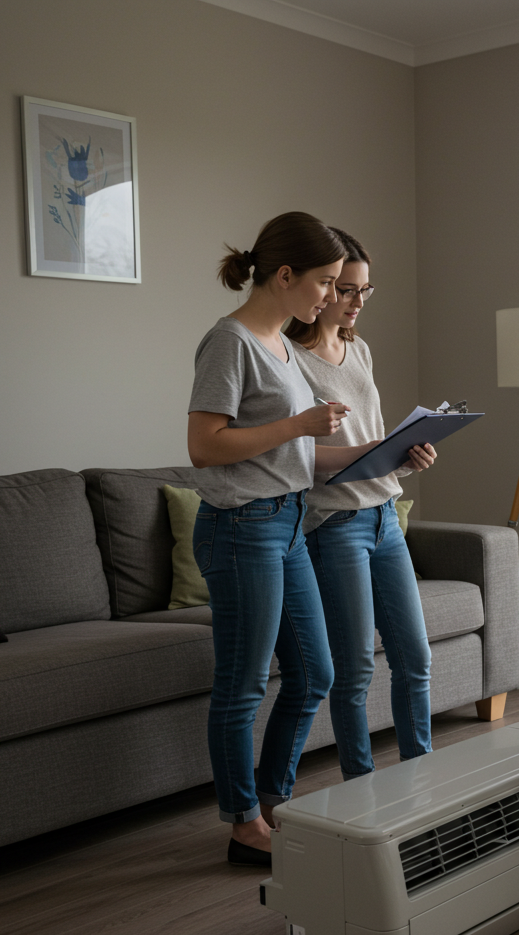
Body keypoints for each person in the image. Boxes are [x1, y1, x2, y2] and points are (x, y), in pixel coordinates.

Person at [188, 212, 376, 866]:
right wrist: (300, 422)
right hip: (242, 530)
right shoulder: (230, 342)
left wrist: (381, 452)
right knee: (242, 685)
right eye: (324, 283)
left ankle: (272, 800)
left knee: (315, 673)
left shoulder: (283, 349)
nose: (330, 297)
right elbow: (205, 446)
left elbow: (298, 456)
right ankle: (244, 824)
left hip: (289, 521)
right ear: (286, 274)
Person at [285, 229, 436, 780]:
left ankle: (420, 778)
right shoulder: (290, 359)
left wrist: (405, 456)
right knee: (353, 672)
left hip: (385, 517)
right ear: (321, 289)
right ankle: (362, 787)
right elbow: (297, 453)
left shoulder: (359, 349)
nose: (357, 302)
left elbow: (371, 438)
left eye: (366, 291)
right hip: (334, 525)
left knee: (414, 660)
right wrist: (372, 451)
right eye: (347, 289)